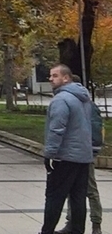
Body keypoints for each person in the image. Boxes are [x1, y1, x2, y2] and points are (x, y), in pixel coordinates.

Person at [40, 64, 94, 234]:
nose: (50, 79)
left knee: (54, 197)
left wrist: (49, 154)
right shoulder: (83, 98)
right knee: (78, 197)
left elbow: (57, 129)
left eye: (55, 76)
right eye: (50, 75)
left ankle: (47, 230)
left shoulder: (61, 99)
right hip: (83, 156)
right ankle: (77, 230)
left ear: (66, 78)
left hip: (64, 157)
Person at [55, 94, 104, 234]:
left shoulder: (86, 105)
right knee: (73, 189)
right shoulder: (72, 104)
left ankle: (96, 223)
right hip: (73, 152)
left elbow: (94, 129)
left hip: (84, 153)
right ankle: (71, 222)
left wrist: (92, 150)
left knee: (90, 189)